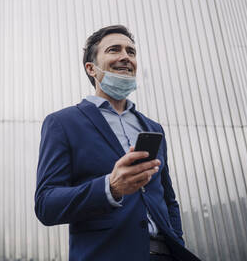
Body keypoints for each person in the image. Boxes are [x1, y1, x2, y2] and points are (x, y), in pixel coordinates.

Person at [34, 25, 200, 260]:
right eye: (114, 50)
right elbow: (46, 204)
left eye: (131, 52)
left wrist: (177, 241)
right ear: (91, 68)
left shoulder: (153, 128)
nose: (125, 57)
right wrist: (109, 188)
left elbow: (167, 198)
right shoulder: (62, 123)